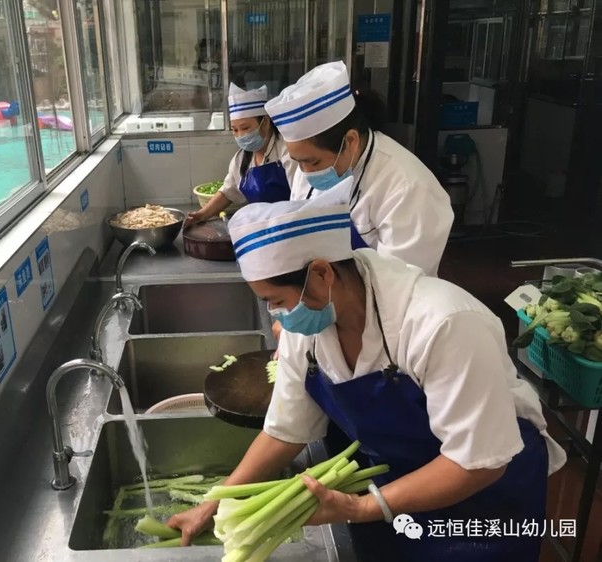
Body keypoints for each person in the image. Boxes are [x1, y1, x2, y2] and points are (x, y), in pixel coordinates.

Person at [167, 189, 566, 561]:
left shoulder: (444, 323)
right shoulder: (309, 329)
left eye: (277, 301)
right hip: (400, 486)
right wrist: (215, 501)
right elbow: (285, 431)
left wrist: (363, 507)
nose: (277, 316)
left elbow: (479, 463)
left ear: (322, 274)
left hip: (484, 499)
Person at [264, 60, 453, 277]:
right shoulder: (306, 166)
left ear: (350, 141)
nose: (305, 173)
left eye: (314, 162)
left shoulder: (408, 187)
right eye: (298, 162)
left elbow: (399, 280)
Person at [185, 83, 299, 227]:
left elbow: (300, 197)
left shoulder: (287, 151)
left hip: (291, 225)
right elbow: (228, 192)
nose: (240, 135)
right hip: (261, 227)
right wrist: (201, 215)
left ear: (265, 123)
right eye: (235, 130)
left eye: (245, 128)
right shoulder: (241, 160)